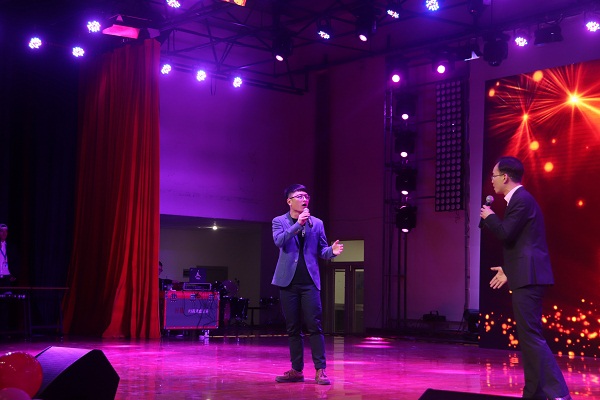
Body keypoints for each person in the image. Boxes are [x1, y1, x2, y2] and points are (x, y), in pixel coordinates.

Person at [480, 156, 572, 400]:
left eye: (493, 176)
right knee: (528, 337)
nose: (491, 181)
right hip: (525, 274)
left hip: (530, 277)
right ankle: (533, 393)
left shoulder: (521, 199)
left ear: (505, 177)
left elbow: (506, 233)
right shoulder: (519, 200)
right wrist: (508, 270)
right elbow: (524, 244)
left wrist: (489, 216)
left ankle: (559, 393)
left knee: (531, 337)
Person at [272, 184, 343, 385]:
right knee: (293, 328)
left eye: (306, 196)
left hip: (310, 282)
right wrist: (298, 225)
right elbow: (279, 241)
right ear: (289, 201)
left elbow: (321, 250)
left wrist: (331, 252)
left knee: (315, 326)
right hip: (288, 282)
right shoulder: (279, 221)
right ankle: (296, 370)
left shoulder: (317, 223)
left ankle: (320, 370)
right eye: (299, 196)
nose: (304, 199)